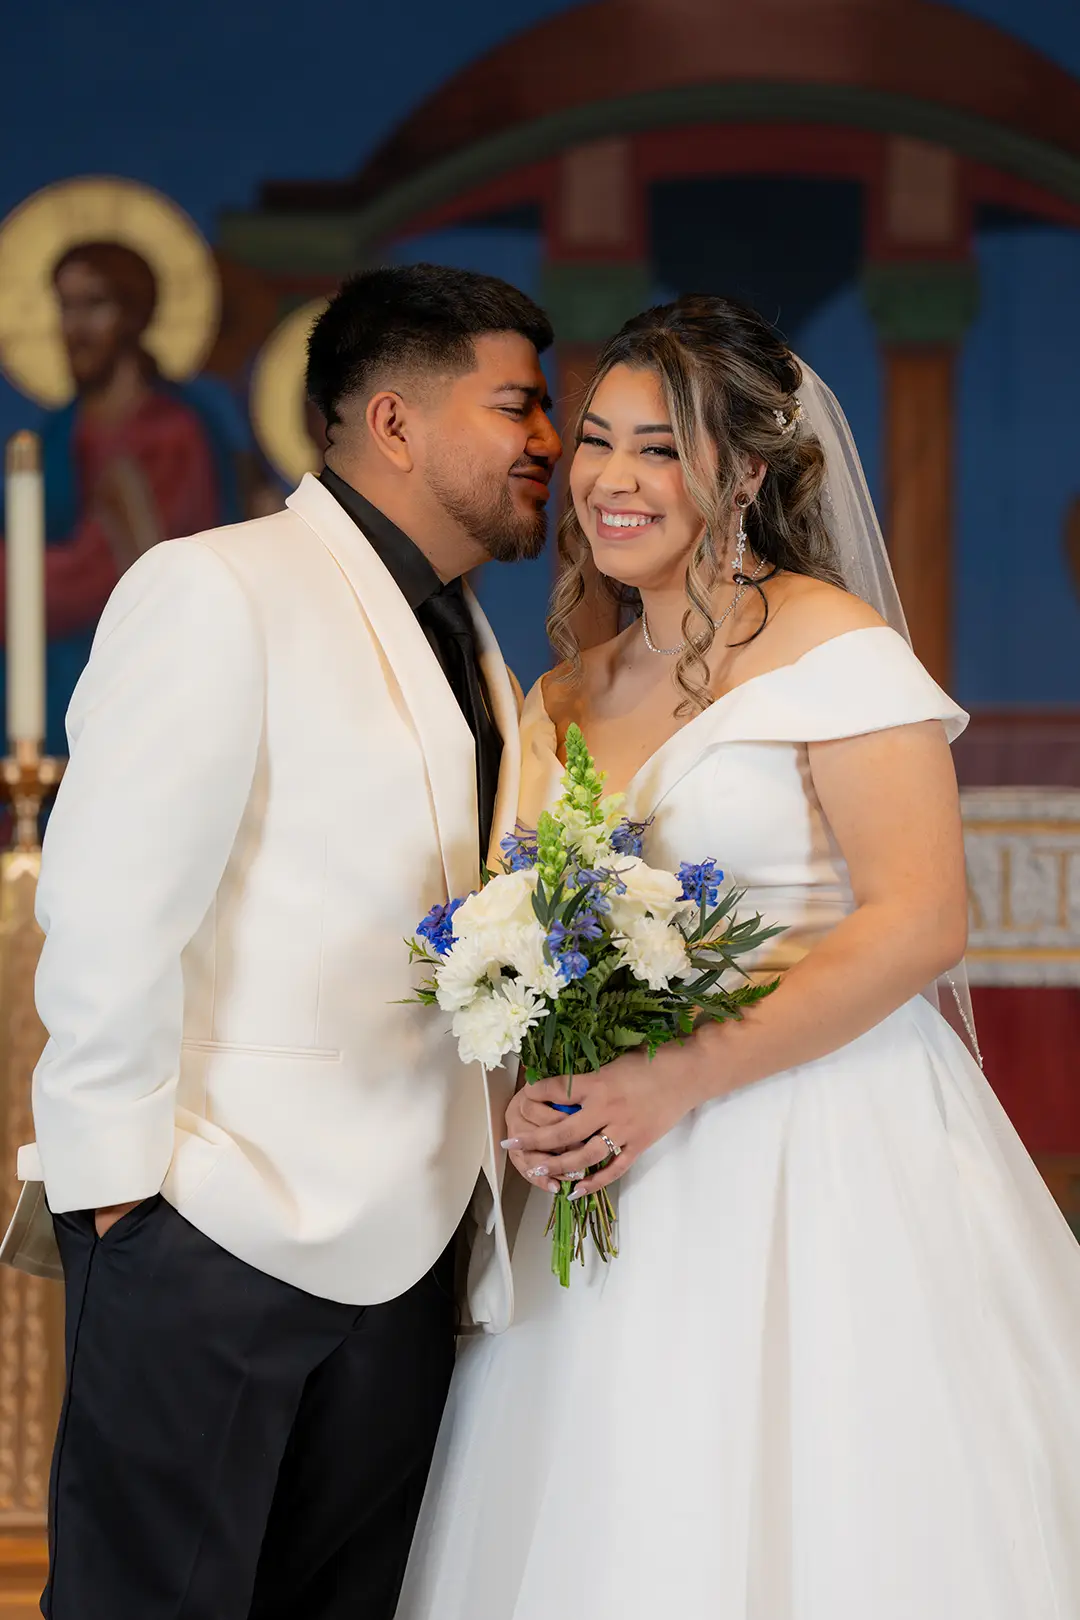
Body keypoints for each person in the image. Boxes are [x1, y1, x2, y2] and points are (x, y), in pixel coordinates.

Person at [397, 295, 1080, 1619]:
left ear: (749, 474)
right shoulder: (564, 693)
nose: (613, 479)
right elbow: (534, 938)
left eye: (662, 448)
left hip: (828, 1142)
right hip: (618, 1174)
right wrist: (537, 1086)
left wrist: (675, 1080)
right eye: (598, 441)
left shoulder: (836, 648)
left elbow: (920, 920)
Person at [0, 263, 561, 1619]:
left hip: (414, 1247)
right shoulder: (216, 586)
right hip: (211, 1226)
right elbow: (108, 907)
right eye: (518, 405)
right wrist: (122, 1207)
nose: (549, 440)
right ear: (395, 422)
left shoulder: (477, 639)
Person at [0, 240, 239, 755]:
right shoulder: (55, 434)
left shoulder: (171, 434)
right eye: (65, 306)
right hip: (41, 695)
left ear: (134, 315)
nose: (74, 327)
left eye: (94, 305)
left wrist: (17, 577)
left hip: (134, 697)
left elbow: (109, 576)